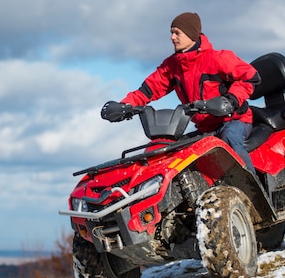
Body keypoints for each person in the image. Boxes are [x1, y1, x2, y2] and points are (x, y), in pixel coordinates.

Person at [101, 12, 261, 172]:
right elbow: (147, 91)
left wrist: (230, 100)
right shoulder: (172, 66)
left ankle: (250, 191)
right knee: (172, 151)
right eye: (171, 32)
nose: (172, 37)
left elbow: (251, 77)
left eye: (177, 33)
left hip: (234, 121)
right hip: (205, 128)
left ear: (192, 34)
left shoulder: (218, 58)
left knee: (230, 138)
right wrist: (123, 106)